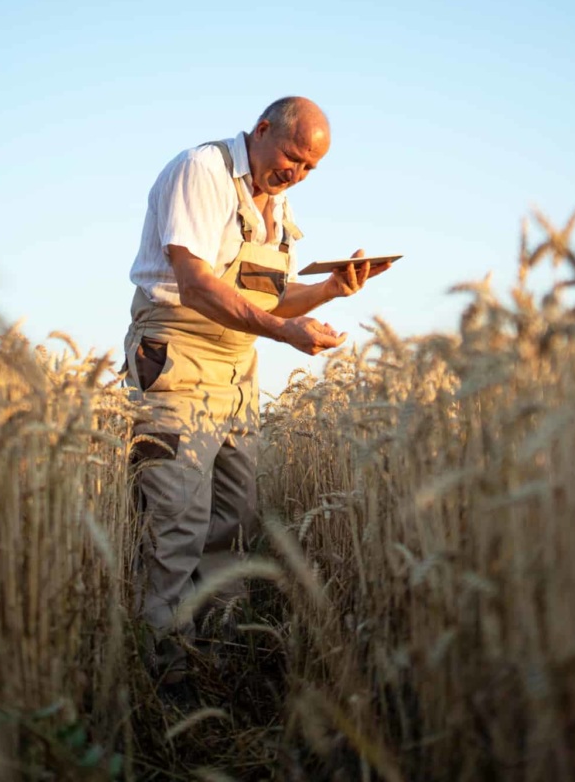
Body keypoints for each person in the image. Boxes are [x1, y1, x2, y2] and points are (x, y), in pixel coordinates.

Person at [123, 96, 388, 697]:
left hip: (237, 370)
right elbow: (195, 285)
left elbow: (267, 300)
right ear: (263, 130)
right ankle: (163, 688)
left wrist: (327, 292)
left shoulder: (277, 207)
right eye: (293, 157)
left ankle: (219, 672)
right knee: (176, 527)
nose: (296, 173)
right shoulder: (203, 171)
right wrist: (285, 335)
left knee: (232, 524)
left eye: (309, 169)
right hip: (177, 361)